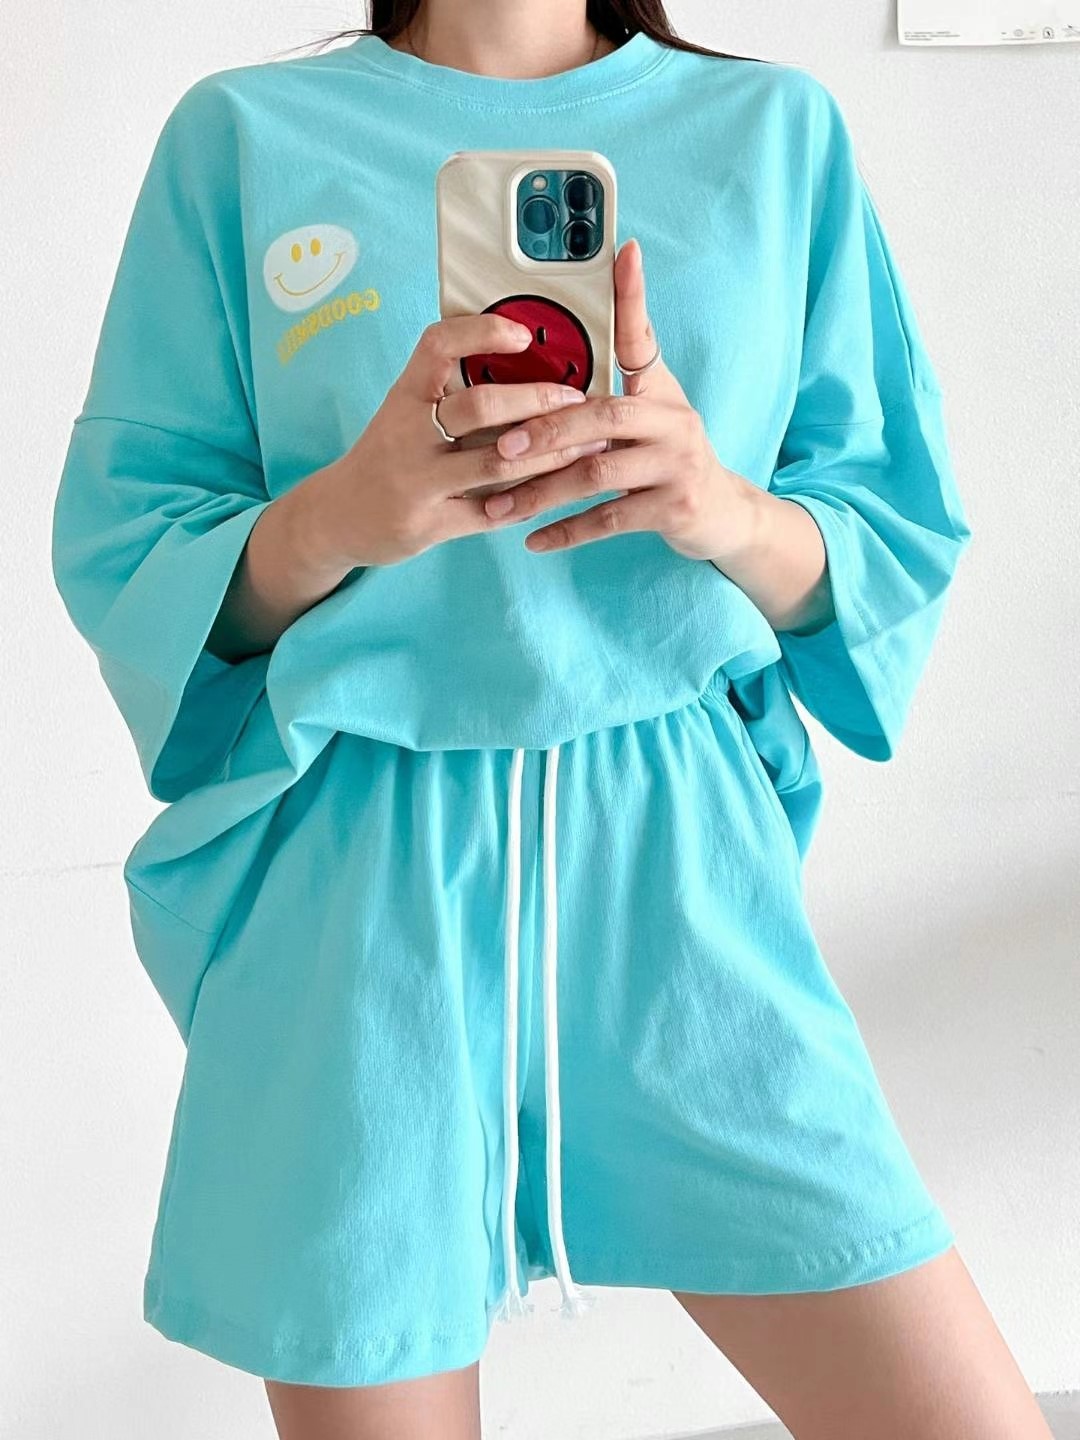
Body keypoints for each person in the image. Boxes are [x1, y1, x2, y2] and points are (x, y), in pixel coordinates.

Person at [50, 3, 1051, 1438]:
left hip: (680, 879)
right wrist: (345, 514)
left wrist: (720, 507)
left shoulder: (773, 135)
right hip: (355, 909)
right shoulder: (246, 139)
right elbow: (130, 541)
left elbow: (888, 526)